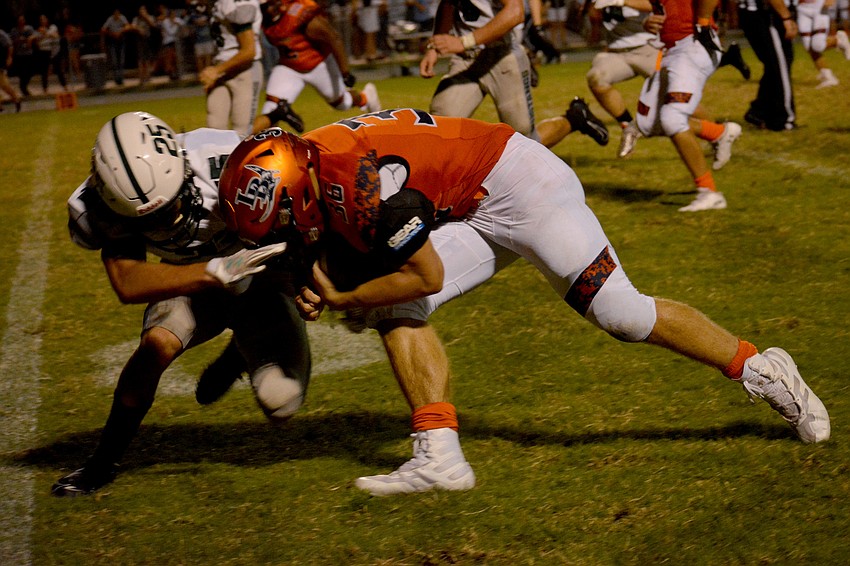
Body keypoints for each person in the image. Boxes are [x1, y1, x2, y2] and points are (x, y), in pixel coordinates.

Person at [217, 111, 830, 497]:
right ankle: (440, 457)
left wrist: (345, 293)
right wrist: (315, 277)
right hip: (471, 198)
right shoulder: (315, 165)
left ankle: (760, 366)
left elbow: (423, 273)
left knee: (618, 312)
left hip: (520, 184)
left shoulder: (355, 184)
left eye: (281, 221)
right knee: (390, 310)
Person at [52, 112, 311, 497]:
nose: (169, 219)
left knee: (281, 403)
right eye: (152, 218)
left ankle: (239, 351)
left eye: (171, 203)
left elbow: (302, 226)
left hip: (261, 278)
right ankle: (102, 463)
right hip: (192, 276)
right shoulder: (102, 203)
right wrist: (216, 271)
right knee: (155, 346)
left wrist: (304, 284)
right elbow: (127, 280)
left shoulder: (230, 159)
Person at [420, 0, 610, 147]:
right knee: (439, 130)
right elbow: (448, 4)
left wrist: (464, 41)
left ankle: (574, 119)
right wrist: (434, 47)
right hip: (466, 60)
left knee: (524, 143)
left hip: (501, 57)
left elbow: (515, 12)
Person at [633, 0, 742, 212]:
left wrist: (702, 21)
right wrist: (649, 23)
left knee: (672, 118)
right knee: (649, 123)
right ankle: (719, 133)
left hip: (693, 45)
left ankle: (709, 192)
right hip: (672, 50)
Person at [251, 0, 382, 136]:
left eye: (269, 5)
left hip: (319, 64)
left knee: (342, 103)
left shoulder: (299, 14)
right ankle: (267, 148)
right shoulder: (261, 18)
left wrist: (345, 72)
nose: (267, 10)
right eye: (263, 7)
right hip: (289, 67)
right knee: (271, 109)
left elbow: (334, 38)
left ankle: (365, 97)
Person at [199, 0, 264, 137]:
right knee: (214, 131)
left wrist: (216, 71)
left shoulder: (238, 3)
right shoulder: (220, 3)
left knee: (241, 133)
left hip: (244, 70)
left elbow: (249, 51)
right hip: (223, 70)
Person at [736, 0, 798, 130]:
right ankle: (783, 118)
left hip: (760, 12)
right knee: (779, 65)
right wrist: (786, 16)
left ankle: (760, 111)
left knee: (777, 64)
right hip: (764, 13)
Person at [795, 0, 850, 88]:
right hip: (802, 8)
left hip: (819, 7)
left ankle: (838, 40)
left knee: (817, 46)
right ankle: (828, 77)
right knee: (808, 46)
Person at [34, 14, 67, 93]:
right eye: (41, 19)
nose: (42, 21)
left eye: (44, 19)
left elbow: (55, 35)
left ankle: (65, 87)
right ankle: (45, 89)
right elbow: (36, 41)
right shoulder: (38, 30)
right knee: (44, 71)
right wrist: (44, 35)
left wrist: (45, 33)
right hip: (45, 51)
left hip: (55, 51)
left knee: (59, 70)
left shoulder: (53, 27)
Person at [101, 8, 131, 86]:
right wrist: (112, 33)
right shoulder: (110, 19)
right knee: (114, 61)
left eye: (118, 13)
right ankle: (116, 79)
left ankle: (121, 79)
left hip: (121, 41)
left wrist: (120, 31)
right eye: (115, 13)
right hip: (113, 42)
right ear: (113, 14)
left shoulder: (122, 18)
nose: (117, 15)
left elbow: (128, 26)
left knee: (121, 61)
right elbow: (103, 29)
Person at [130, 5, 159, 85]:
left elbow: (153, 25)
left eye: (143, 9)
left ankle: (148, 77)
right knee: (141, 59)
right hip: (140, 41)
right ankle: (141, 78)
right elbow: (132, 26)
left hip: (149, 40)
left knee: (148, 59)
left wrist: (145, 17)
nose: (142, 11)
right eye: (140, 10)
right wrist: (139, 29)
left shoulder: (150, 17)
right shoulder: (136, 19)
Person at [9, 15, 36, 97]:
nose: (21, 21)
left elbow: (34, 35)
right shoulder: (14, 30)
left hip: (28, 53)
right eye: (19, 20)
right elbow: (12, 41)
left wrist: (29, 39)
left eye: (22, 20)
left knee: (30, 72)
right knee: (22, 73)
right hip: (19, 54)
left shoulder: (29, 28)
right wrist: (19, 40)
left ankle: (23, 86)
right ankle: (23, 88)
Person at [0, 26, 23, 112]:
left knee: (4, 84)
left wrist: (9, 57)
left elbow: (9, 45)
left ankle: (16, 99)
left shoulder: (1, 34)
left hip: (1, 61)